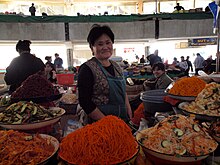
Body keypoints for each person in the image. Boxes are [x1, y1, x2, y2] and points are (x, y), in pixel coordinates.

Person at [77, 24, 132, 123]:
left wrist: (128, 108)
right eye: (100, 44)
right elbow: (85, 102)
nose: (105, 47)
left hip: (121, 120)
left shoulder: (117, 66)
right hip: (99, 124)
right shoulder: (87, 69)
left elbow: (123, 92)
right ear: (92, 47)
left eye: (108, 43)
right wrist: (106, 122)